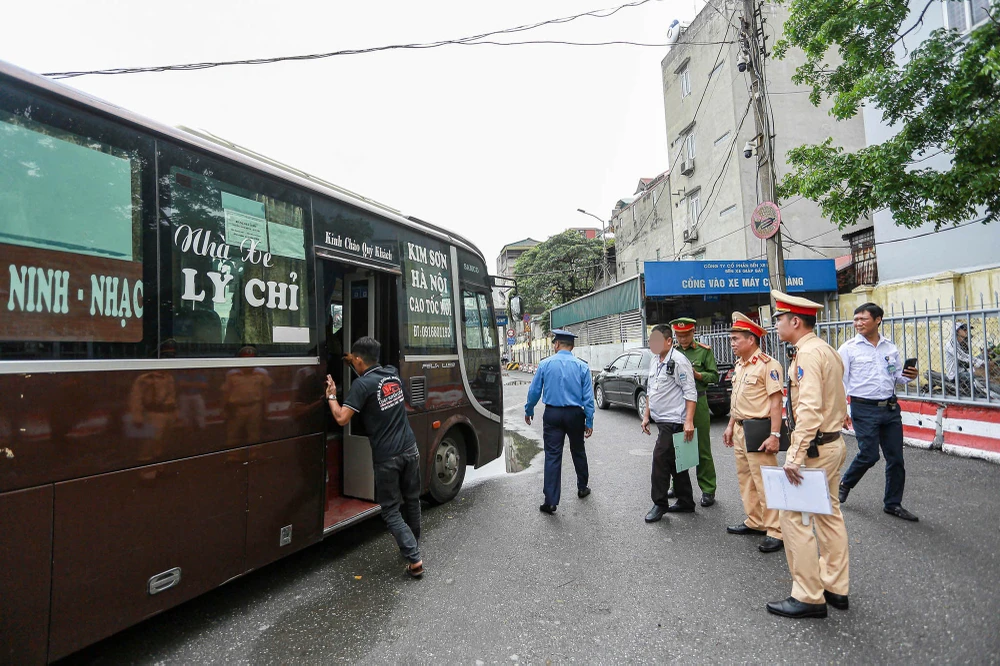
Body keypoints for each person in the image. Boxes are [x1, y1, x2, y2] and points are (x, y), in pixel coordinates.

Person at [767, 290, 850, 620]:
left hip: (814, 450)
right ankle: (835, 587)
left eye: (779, 318)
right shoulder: (825, 350)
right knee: (829, 515)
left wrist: (794, 457)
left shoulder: (808, 355)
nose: (775, 324)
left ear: (795, 321)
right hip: (832, 444)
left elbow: (810, 410)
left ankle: (808, 595)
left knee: (795, 518)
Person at [326, 336, 424, 578]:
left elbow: (341, 418)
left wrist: (331, 395)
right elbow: (372, 380)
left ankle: (414, 559)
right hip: (410, 449)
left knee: (390, 510)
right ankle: (413, 542)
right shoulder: (390, 373)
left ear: (359, 360)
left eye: (354, 359)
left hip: (387, 457)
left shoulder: (361, 387)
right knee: (412, 499)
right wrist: (352, 361)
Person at [838, 302, 919, 522]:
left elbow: (897, 377)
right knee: (870, 454)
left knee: (896, 459)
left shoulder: (890, 347)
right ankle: (845, 483)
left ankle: (893, 504)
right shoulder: (848, 349)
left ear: (878, 320)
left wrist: (910, 375)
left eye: (863, 319)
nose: (858, 323)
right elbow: (840, 381)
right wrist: (842, 409)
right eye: (855, 319)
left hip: (890, 408)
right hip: (863, 408)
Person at [723, 312, 785, 553]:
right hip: (740, 428)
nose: (732, 343)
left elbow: (776, 403)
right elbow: (737, 400)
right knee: (746, 479)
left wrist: (775, 435)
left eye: (736, 338)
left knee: (766, 481)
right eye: (732, 338)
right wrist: (730, 425)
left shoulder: (768, 365)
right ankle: (756, 521)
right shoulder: (740, 365)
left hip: (759, 430)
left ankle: (776, 530)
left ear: (751, 339)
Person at [524, 329, 595, 515]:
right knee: (578, 450)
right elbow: (588, 398)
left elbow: (534, 392)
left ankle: (551, 501)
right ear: (572, 346)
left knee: (553, 455)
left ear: (556, 345)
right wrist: (589, 420)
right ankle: (582, 487)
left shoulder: (545, 364)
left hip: (553, 415)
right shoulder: (582, 367)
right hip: (575, 415)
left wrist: (529, 410)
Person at [642, 324, 698, 523]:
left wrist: (688, 421)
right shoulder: (655, 360)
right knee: (677, 462)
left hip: (674, 420)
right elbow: (651, 389)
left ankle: (659, 503)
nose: (652, 344)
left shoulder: (679, 361)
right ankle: (685, 501)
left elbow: (690, 392)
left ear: (668, 341)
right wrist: (646, 415)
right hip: (661, 419)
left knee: (660, 460)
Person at [670, 317, 719, 507]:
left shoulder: (703, 351)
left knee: (701, 448)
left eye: (686, 335)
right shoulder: (671, 352)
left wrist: (697, 374)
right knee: (678, 447)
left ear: (693, 333)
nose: (682, 339)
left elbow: (714, 376)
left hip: (698, 402)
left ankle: (708, 489)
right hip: (677, 403)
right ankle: (678, 485)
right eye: (679, 335)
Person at [944, 320, 984, 394]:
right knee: (975, 380)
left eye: (968, 329)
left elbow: (967, 359)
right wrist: (979, 362)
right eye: (964, 329)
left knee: (982, 357)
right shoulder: (950, 344)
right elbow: (962, 356)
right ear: (957, 331)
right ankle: (976, 397)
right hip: (955, 374)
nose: (967, 331)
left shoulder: (963, 343)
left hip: (963, 370)